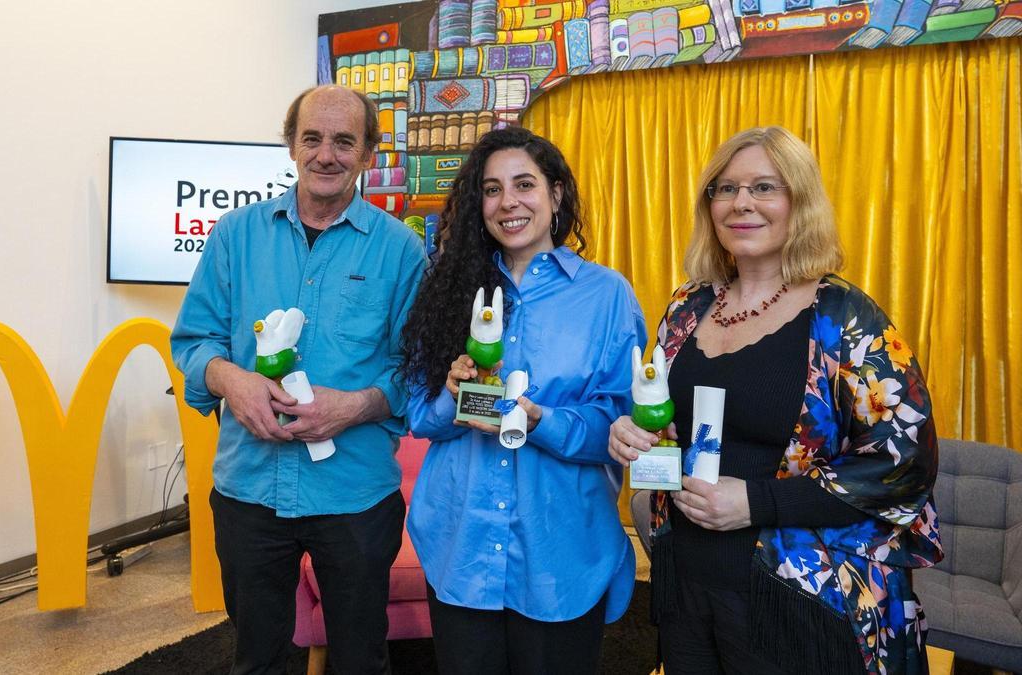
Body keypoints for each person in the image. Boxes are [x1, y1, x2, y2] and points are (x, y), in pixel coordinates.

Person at [608, 126, 942, 674]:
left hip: (801, 597)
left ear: (800, 202)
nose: (741, 202)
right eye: (726, 188)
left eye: (764, 187)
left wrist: (756, 503)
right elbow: (662, 420)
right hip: (686, 583)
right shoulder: (686, 306)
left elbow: (905, 464)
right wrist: (635, 434)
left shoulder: (845, 318)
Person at [170, 85, 427, 675]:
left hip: (355, 496)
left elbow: (417, 370)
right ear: (291, 145)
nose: (325, 155)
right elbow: (194, 340)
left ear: (368, 154)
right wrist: (230, 380)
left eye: (344, 142)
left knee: (361, 661)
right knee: (256, 660)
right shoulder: (235, 235)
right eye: (312, 138)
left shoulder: (401, 251)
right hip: (248, 491)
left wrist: (355, 406)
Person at [400, 126, 646, 675]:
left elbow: (621, 425)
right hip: (461, 546)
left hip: (560, 552)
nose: (508, 201)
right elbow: (419, 416)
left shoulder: (605, 295)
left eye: (524, 184)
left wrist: (541, 421)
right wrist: (452, 394)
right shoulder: (448, 287)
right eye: (492, 189)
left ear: (556, 194)